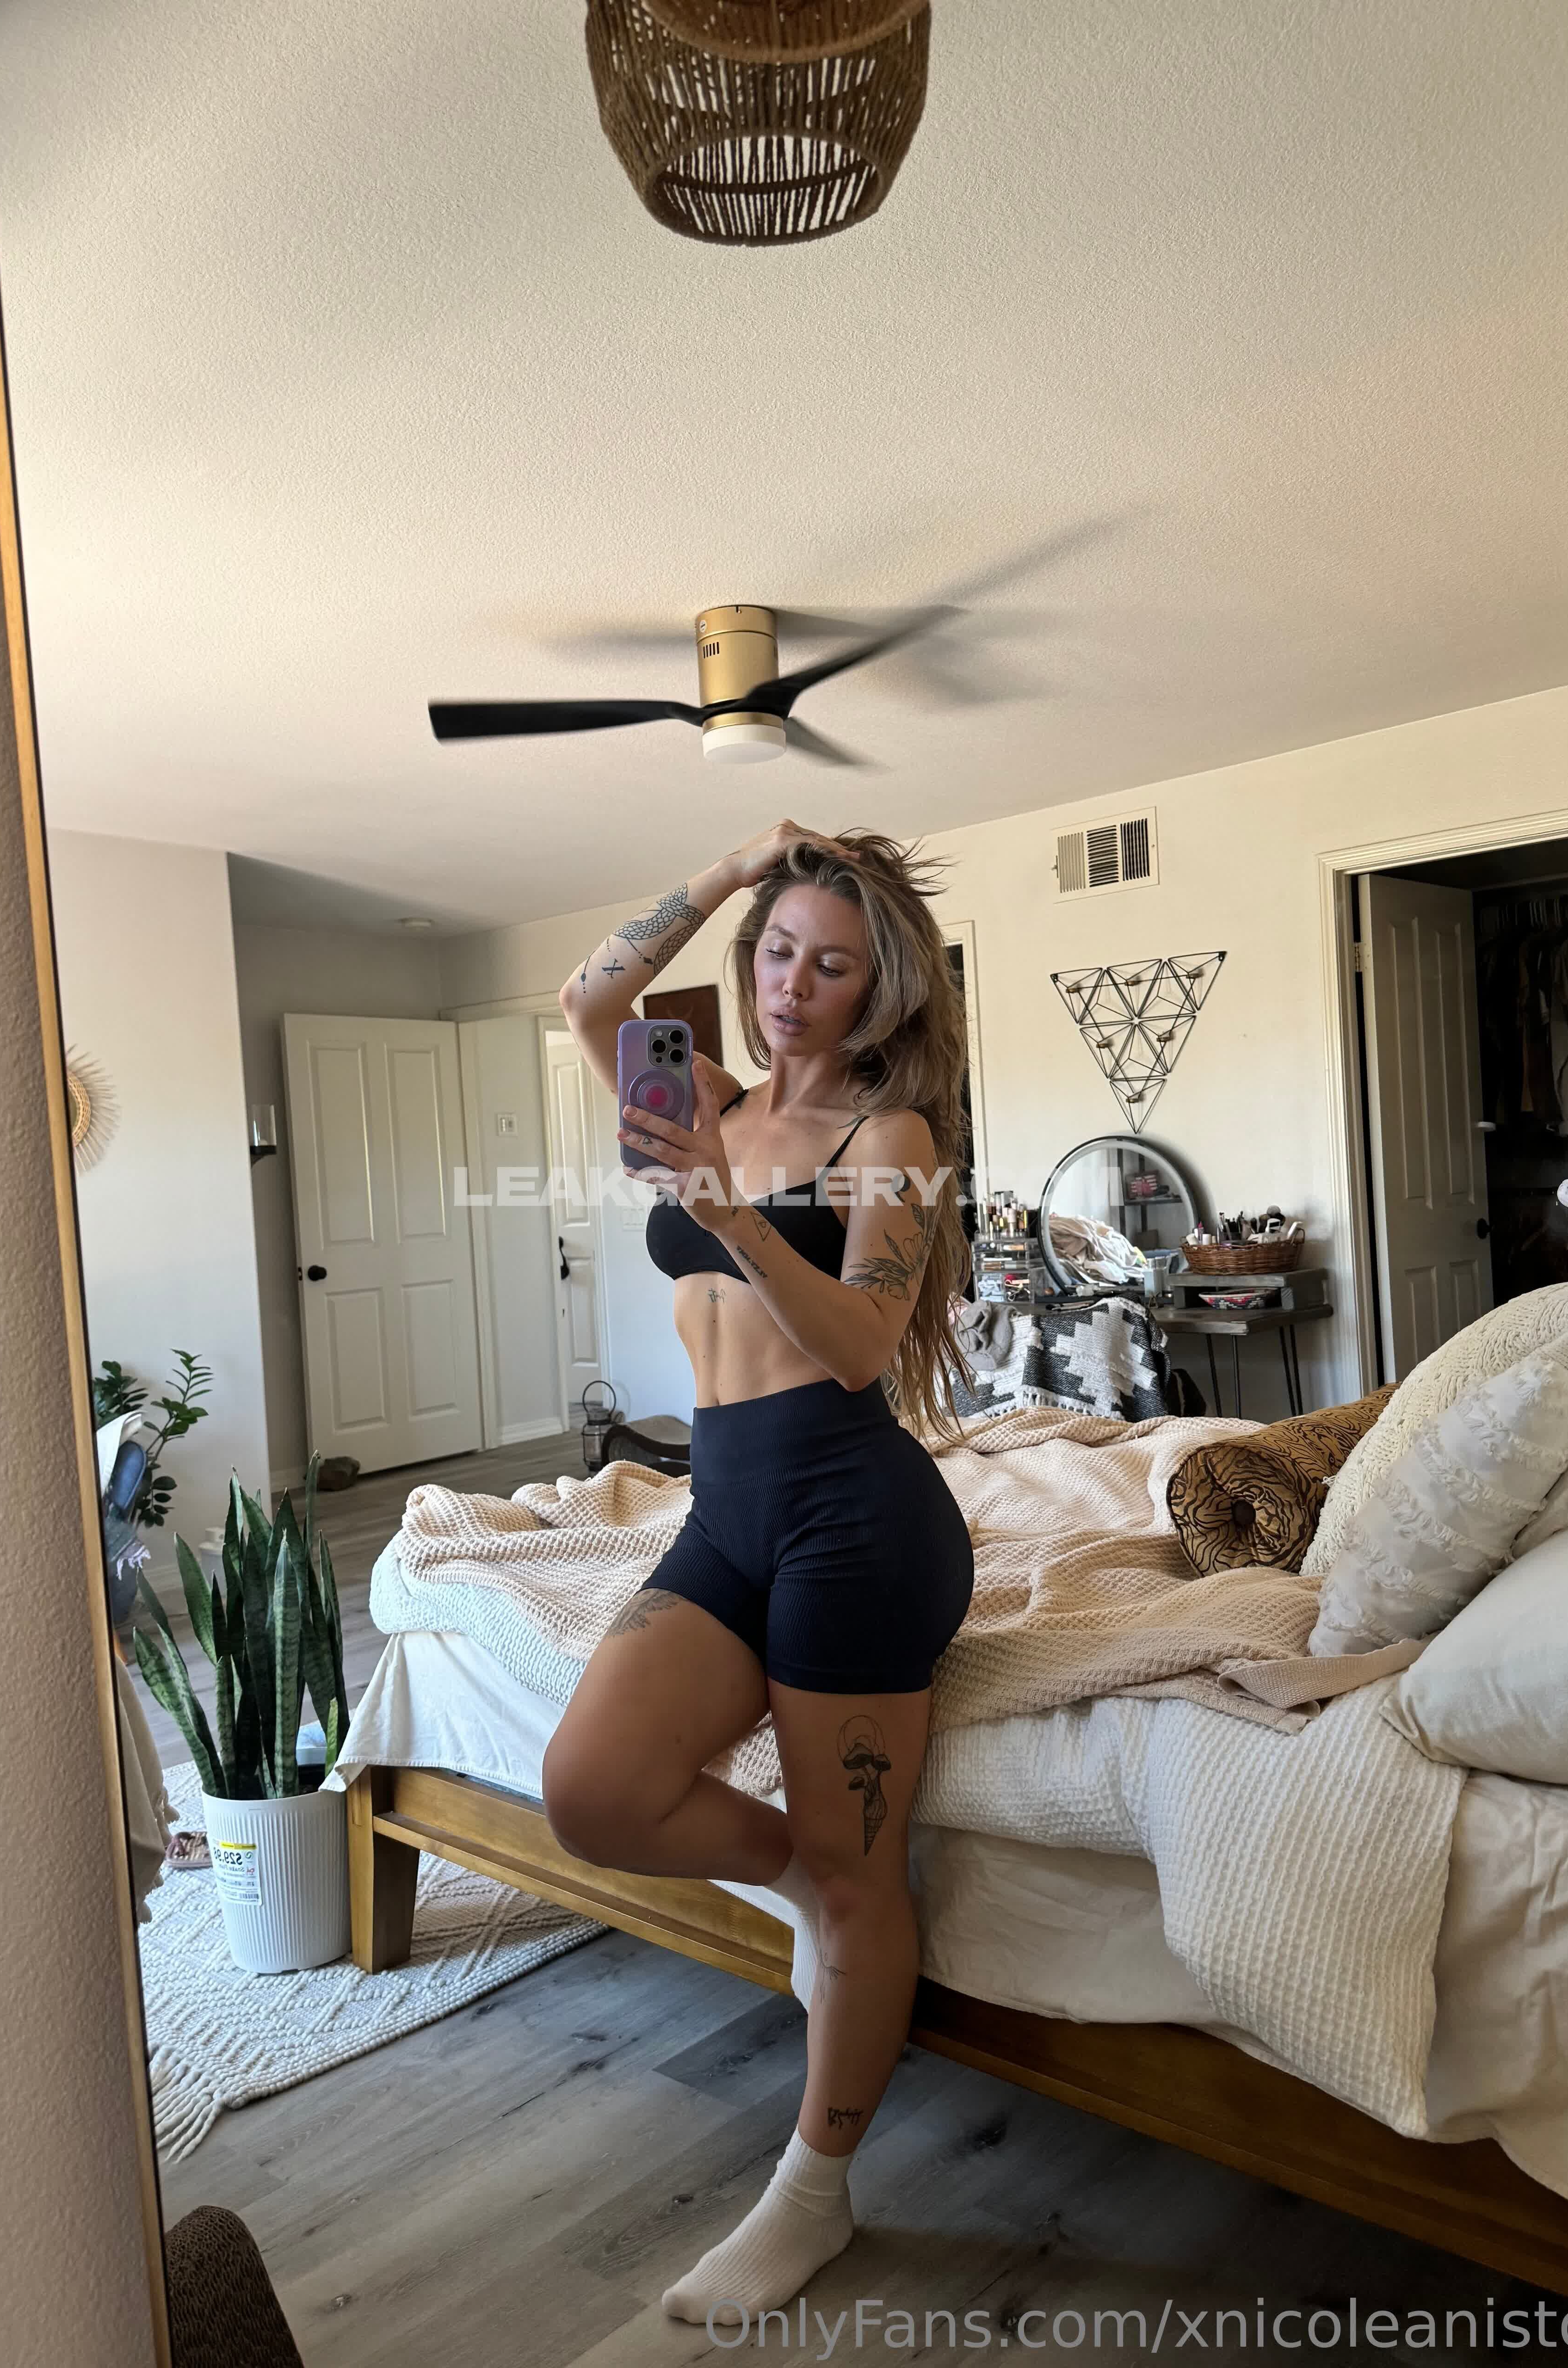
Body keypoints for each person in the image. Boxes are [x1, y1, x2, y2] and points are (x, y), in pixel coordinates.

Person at [543, 820, 976, 2324]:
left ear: (878, 989)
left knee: (868, 1882)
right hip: (722, 1507)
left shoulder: (888, 1139)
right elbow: (590, 1000)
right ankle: (811, 1888)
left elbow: (860, 1346)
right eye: (779, 952)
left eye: (831, 965)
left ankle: (813, 2197)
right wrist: (731, 870)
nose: (794, 984)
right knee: (593, 1788)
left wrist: (733, 1218)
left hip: (857, 1521)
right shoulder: (701, 1098)